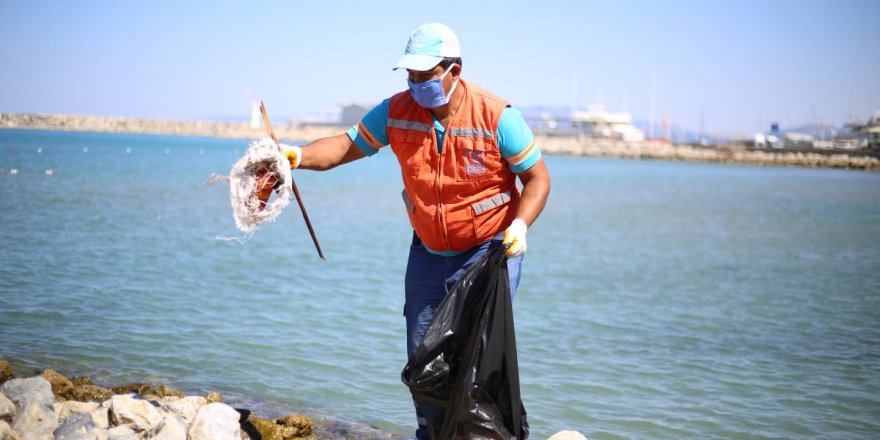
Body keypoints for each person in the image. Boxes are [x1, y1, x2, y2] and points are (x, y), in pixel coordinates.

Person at [274, 22, 550, 439]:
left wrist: (520, 225)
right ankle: (429, 434)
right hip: (427, 253)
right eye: (411, 74)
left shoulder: (497, 116)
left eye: (427, 74)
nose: (417, 82)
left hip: (490, 253)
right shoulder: (396, 111)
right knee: (424, 358)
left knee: (473, 360)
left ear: (454, 70)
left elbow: (538, 179)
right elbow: (346, 146)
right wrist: (297, 155)